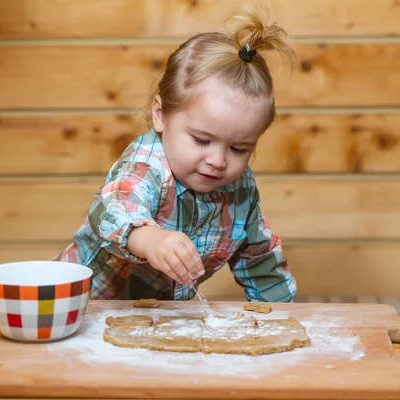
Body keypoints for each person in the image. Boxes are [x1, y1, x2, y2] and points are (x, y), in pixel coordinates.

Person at [54, 5, 299, 303]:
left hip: (153, 317)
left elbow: (260, 259)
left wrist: (283, 315)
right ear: (160, 115)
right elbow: (111, 207)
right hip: (77, 308)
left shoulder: (239, 190)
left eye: (238, 149)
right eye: (201, 140)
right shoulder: (147, 164)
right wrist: (149, 239)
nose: (218, 161)